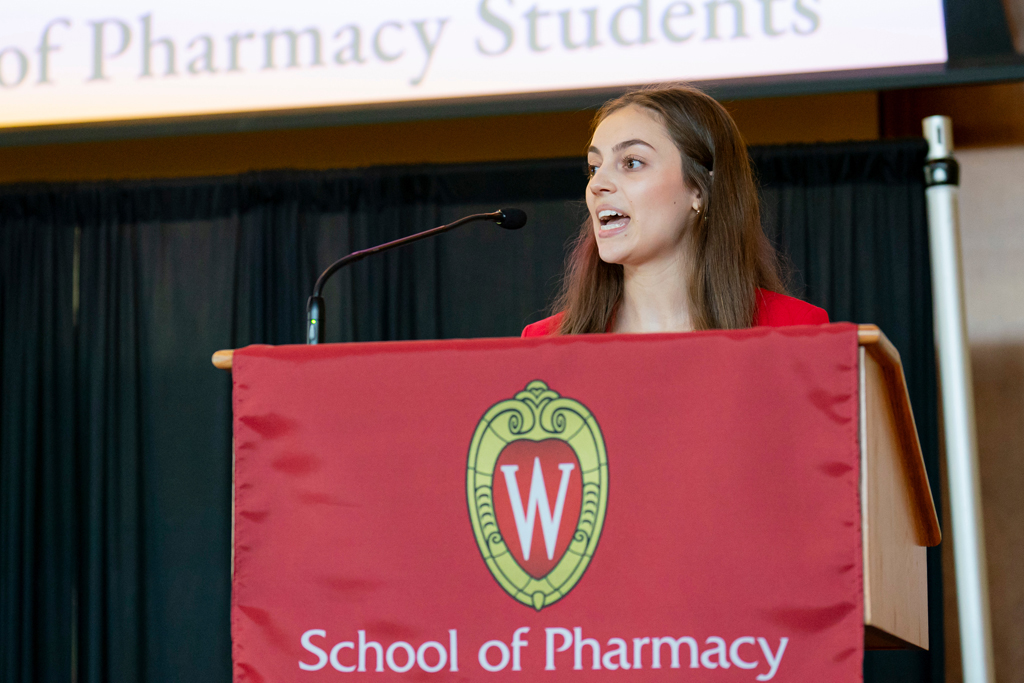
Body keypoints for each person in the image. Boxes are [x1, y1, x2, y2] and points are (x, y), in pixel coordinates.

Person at [522, 85, 827, 337]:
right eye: (594, 168)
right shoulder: (545, 342)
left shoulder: (795, 330)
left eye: (631, 163)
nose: (597, 184)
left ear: (698, 190)